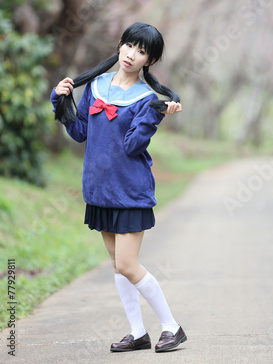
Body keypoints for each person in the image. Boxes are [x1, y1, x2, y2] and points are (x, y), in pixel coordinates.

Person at [50, 22, 187, 353]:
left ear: (148, 62)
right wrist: (60, 100)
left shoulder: (145, 98)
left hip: (130, 191)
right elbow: (81, 133)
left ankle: (172, 326)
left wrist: (154, 116)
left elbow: (132, 147)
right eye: (129, 46)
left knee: (127, 264)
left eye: (142, 52)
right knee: (118, 265)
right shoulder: (95, 85)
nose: (132, 54)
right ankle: (138, 333)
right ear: (121, 45)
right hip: (100, 190)